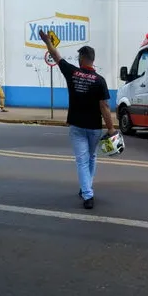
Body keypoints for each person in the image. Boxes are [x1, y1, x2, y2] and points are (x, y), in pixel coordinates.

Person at [39, 30, 117, 210]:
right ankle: (86, 188)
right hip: (95, 128)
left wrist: (47, 42)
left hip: (77, 126)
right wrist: (111, 129)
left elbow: (56, 56)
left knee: (82, 160)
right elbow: (104, 107)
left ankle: (88, 194)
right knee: (91, 157)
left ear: (82, 58)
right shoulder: (100, 80)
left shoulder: (72, 73)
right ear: (93, 59)